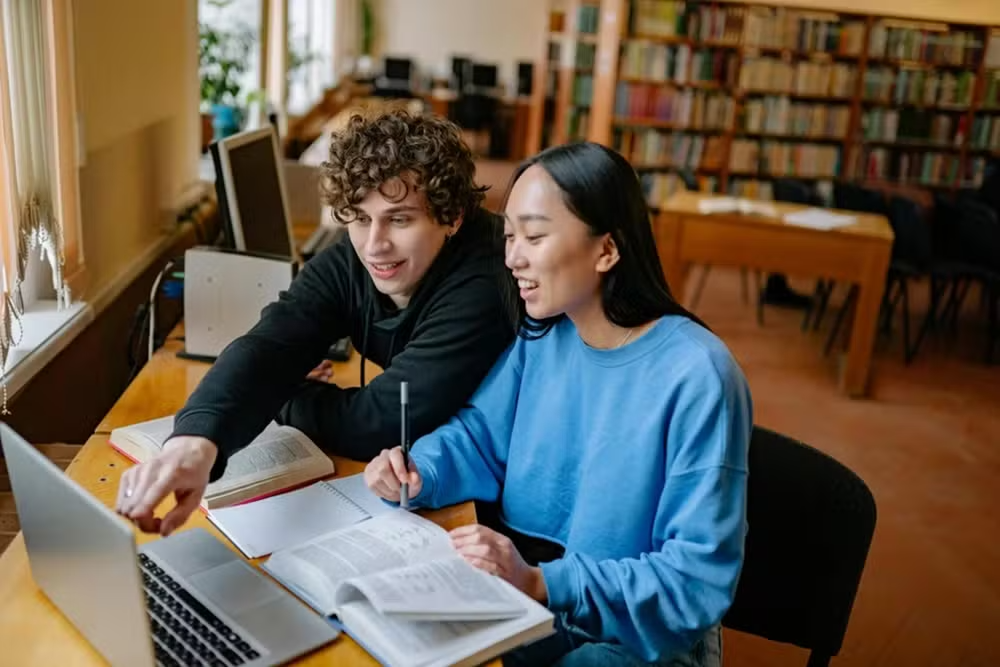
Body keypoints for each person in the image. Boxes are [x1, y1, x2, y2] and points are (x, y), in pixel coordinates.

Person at [365, 142, 753, 666]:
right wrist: (420, 470)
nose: (512, 257)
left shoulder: (698, 374)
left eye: (535, 235)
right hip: (544, 603)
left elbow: (692, 582)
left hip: (639, 642)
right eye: (508, 236)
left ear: (607, 250)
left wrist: (542, 581)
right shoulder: (543, 335)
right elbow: (481, 436)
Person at [115, 109, 514, 536]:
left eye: (399, 219)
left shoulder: (487, 275)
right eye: (360, 218)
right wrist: (194, 442)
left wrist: (287, 393)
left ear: (451, 216)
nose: (375, 245)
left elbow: (379, 422)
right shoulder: (354, 255)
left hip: (496, 510)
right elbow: (271, 343)